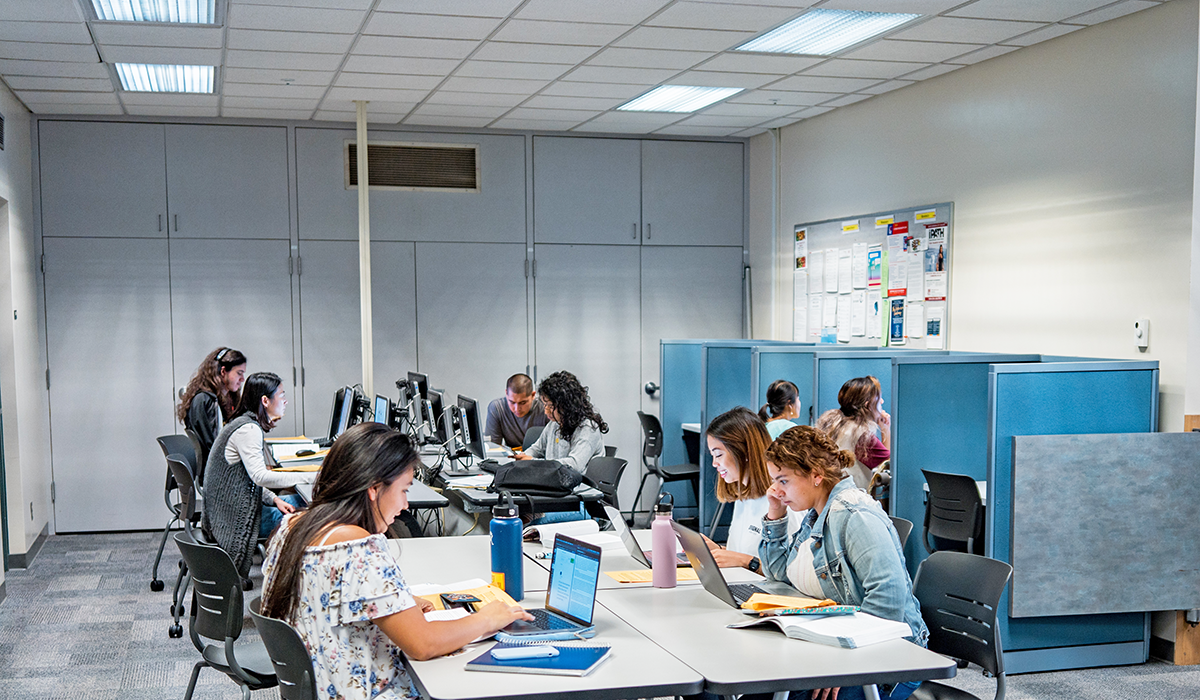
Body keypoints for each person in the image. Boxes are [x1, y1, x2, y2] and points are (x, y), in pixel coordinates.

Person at [261, 423, 531, 700]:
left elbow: (328, 601)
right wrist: (485, 619)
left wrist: (398, 603)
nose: (405, 505)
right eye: (404, 490)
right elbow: (423, 644)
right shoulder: (360, 549)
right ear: (374, 488)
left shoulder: (290, 528)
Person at [760, 425, 927, 700]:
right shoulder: (816, 513)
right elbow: (780, 573)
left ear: (816, 475)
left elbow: (888, 598)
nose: (775, 490)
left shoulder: (854, 514)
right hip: (841, 641)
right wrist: (775, 514)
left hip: (890, 659)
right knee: (759, 690)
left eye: (783, 481)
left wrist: (848, 665)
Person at [204, 371, 311, 580]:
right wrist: (309, 476)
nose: (285, 401)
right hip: (233, 518)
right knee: (313, 512)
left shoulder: (243, 423)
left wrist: (274, 499)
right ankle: (298, 578)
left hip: (228, 510)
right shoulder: (248, 430)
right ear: (265, 401)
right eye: (281, 395)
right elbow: (260, 477)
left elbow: (245, 480)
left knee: (298, 500)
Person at [704, 407, 803, 570]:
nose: (714, 463)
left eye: (719, 455)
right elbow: (742, 553)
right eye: (713, 456)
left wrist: (747, 562)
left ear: (744, 452)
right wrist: (718, 550)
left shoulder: (781, 498)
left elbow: (793, 570)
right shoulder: (743, 493)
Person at [514, 370, 606, 473]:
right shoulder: (554, 424)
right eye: (545, 405)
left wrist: (533, 462)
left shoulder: (588, 428)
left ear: (567, 405)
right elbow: (537, 449)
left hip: (578, 482)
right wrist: (524, 456)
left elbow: (574, 465)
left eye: (551, 406)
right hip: (554, 479)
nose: (546, 411)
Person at [814, 376, 890, 490]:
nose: (882, 401)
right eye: (878, 397)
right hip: (852, 496)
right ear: (868, 405)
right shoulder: (861, 434)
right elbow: (887, 466)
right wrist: (886, 429)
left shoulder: (832, 424)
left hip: (829, 492)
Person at [176, 346, 247, 461]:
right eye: (239, 373)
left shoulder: (215, 399)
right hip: (213, 468)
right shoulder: (205, 400)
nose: (242, 379)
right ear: (223, 371)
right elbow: (213, 447)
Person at [484, 373, 548, 448]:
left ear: (533, 395)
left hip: (539, 453)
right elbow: (493, 446)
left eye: (523, 403)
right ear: (506, 393)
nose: (517, 409)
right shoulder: (497, 408)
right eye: (512, 402)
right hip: (512, 453)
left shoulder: (546, 408)